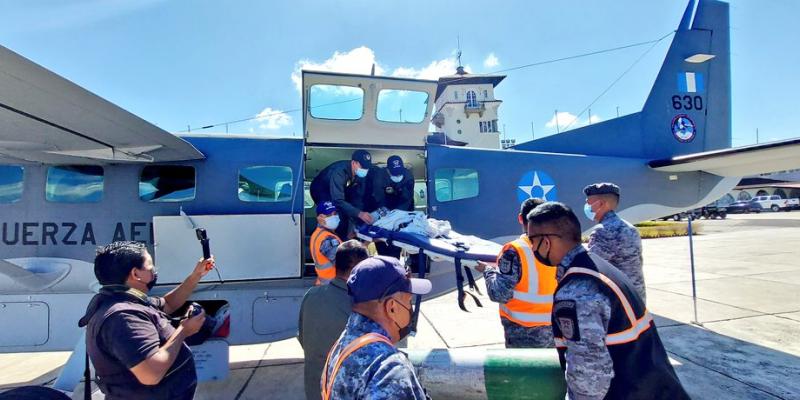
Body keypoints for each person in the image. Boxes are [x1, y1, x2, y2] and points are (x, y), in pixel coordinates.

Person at [526, 202, 689, 399]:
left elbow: (588, 377)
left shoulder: (577, 292)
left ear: (546, 242)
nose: (532, 248)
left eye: (532, 241)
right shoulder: (600, 268)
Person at [78, 241, 216, 400]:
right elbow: (151, 374)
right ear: (136, 274)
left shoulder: (122, 300)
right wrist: (184, 330)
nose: (154, 271)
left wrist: (196, 275)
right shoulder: (124, 318)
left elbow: (168, 304)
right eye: (150, 266)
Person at [321, 256, 431, 400]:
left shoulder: (342, 346)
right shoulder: (390, 369)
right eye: (409, 301)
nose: (411, 308)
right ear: (392, 308)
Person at [476, 197, 556, 348]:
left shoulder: (515, 250)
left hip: (523, 334)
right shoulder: (559, 245)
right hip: (556, 330)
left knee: (524, 372)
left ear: (521, 218)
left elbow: (499, 294)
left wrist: (487, 271)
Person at [299, 240, 369, 400]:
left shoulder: (310, 296)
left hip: (315, 391)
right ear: (357, 270)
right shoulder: (360, 306)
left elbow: (303, 338)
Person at [583, 182, 646, 302]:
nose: (587, 207)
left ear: (600, 204)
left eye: (588, 203)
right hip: (635, 298)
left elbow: (590, 266)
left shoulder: (603, 231)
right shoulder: (629, 227)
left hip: (618, 301)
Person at [310, 149, 374, 238]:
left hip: (338, 191)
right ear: (353, 163)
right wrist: (359, 214)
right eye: (362, 166)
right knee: (332, 214)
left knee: (348, 213)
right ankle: (327, 239)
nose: (365, 169)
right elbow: (338, 200)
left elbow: (358, 197)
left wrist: (360, 215)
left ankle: (344, 239)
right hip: (321, 190)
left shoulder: (359, 174)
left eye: (367, 167)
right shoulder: (339, 172)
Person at [363, 155, 416, 258]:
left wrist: (395, 218)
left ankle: (395, 261)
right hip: (382, 210)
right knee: (382, 246)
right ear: (388, 170)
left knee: (396, 246)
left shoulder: (408, 176)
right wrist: (385, 217)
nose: (398, 176)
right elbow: (378, 199)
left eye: (399, 172)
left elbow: (406, 200)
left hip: (401, 210)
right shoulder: (379, 177)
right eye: (394, 173)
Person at [310, 201, 343, 285]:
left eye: (335, 213)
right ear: (320, 218)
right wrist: (366, 243)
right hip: (333, 286)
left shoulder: (319, 233)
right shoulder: (327, 240)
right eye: (328, 215)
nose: (334, 217)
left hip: (325, 283)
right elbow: (344, 262)